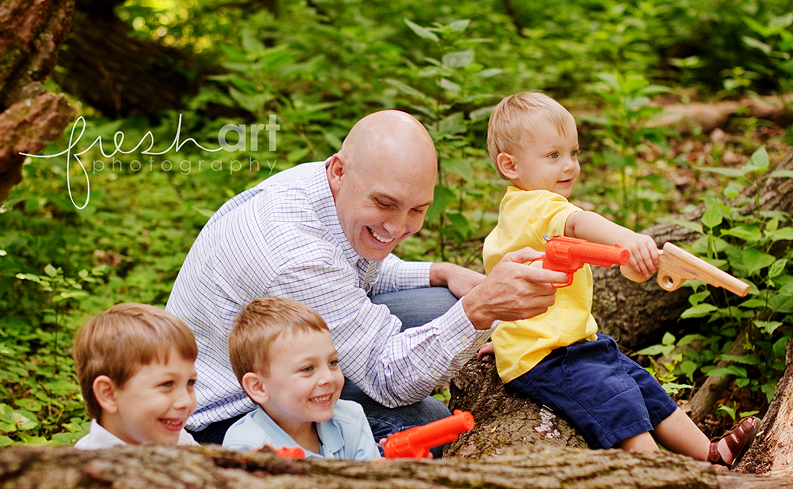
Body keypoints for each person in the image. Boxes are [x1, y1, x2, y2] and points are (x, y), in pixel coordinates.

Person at [167, 110, 566, 448]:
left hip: (288, 359)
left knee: (442, 301)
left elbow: (355, 270)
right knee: (430, 421)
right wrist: (480, 310)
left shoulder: (323, 185)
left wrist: (442, 272)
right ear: (341, 171)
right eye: (385, 203)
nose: (397, 227)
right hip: (235, 410)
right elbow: (389, 379)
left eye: (417, 210)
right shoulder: (295, 256)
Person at [480, 91, 759, 468]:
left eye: (574, 153)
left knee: (641, 383)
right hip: (547, 356)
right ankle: (657, 472)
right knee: (615, 398)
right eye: (553, 155)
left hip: (569, 344)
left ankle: (708, 452)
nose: (570, 166)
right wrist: (627, 238)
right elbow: (580, 221)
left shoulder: (517, 213)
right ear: (510, 166)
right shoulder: (539, 207)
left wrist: (507, 337)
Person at [222, 296, 380, 459]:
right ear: (259, 387)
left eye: (332, 362)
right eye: (307, 368)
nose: (328, 378)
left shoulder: (351, 417)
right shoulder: (246, 449)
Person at [72, 303, 199, 450]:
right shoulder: (86, 464)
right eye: (167, 384)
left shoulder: (183, 442)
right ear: (109, 394)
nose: (186, 402)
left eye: (190, 382)